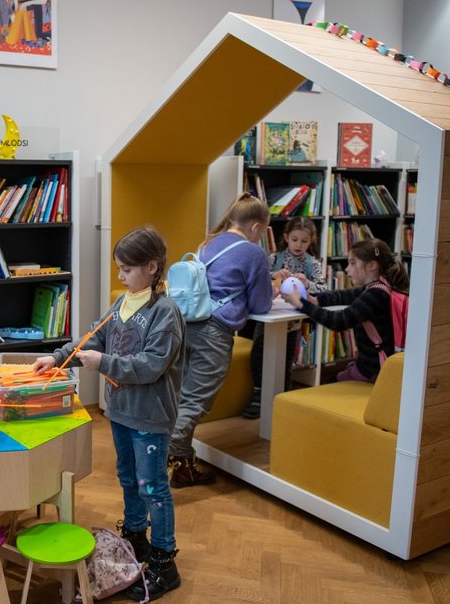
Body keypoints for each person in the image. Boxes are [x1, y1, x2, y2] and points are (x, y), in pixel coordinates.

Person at [33, 226, 185, 601]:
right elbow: (91, 338)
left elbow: (150, 365)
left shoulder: (165, 313)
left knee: (154, 488)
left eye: (127, 269)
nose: (120, 276)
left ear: (152, 267)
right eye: (118, 268)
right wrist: (56, 358)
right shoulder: (121, 304)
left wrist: (104, 363)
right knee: (129, 479)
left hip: (149, 417)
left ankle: (166, 561)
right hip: (120, 412)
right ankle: (136, 537)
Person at [169, 193, 273, 486]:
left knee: (182, 398)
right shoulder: (253, 253)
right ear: (255, 226)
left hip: (186, 325)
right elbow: (262, 304)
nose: (261, 237)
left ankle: (182, 468)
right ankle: (154, 457)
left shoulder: (208, 243)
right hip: (214, 332)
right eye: (263, 231)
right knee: (195, 402)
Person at [281, 237, 408, 383]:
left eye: (353, 263)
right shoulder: (380, 287)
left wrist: (302, 304)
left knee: (326, 387)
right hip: (371, 367)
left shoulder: (376, 295)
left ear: (372, 265)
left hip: (372, 371)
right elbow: (343, 295)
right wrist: (313, 299)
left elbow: (339, 321)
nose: (347, 269)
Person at [242, 216, 326, 419]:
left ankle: (281, 397)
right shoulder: (273, 259)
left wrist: (307, 283)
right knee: (259, 352)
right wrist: (272, 275)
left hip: (291, 318)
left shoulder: (312, 264)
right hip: (268, 312)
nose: (299, 245)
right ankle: (258, 393)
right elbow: (256, 280)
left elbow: (323, 289)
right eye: (295, 239)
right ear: (287, 237)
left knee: (286, 357)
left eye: (304, 241)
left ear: (311, 241)